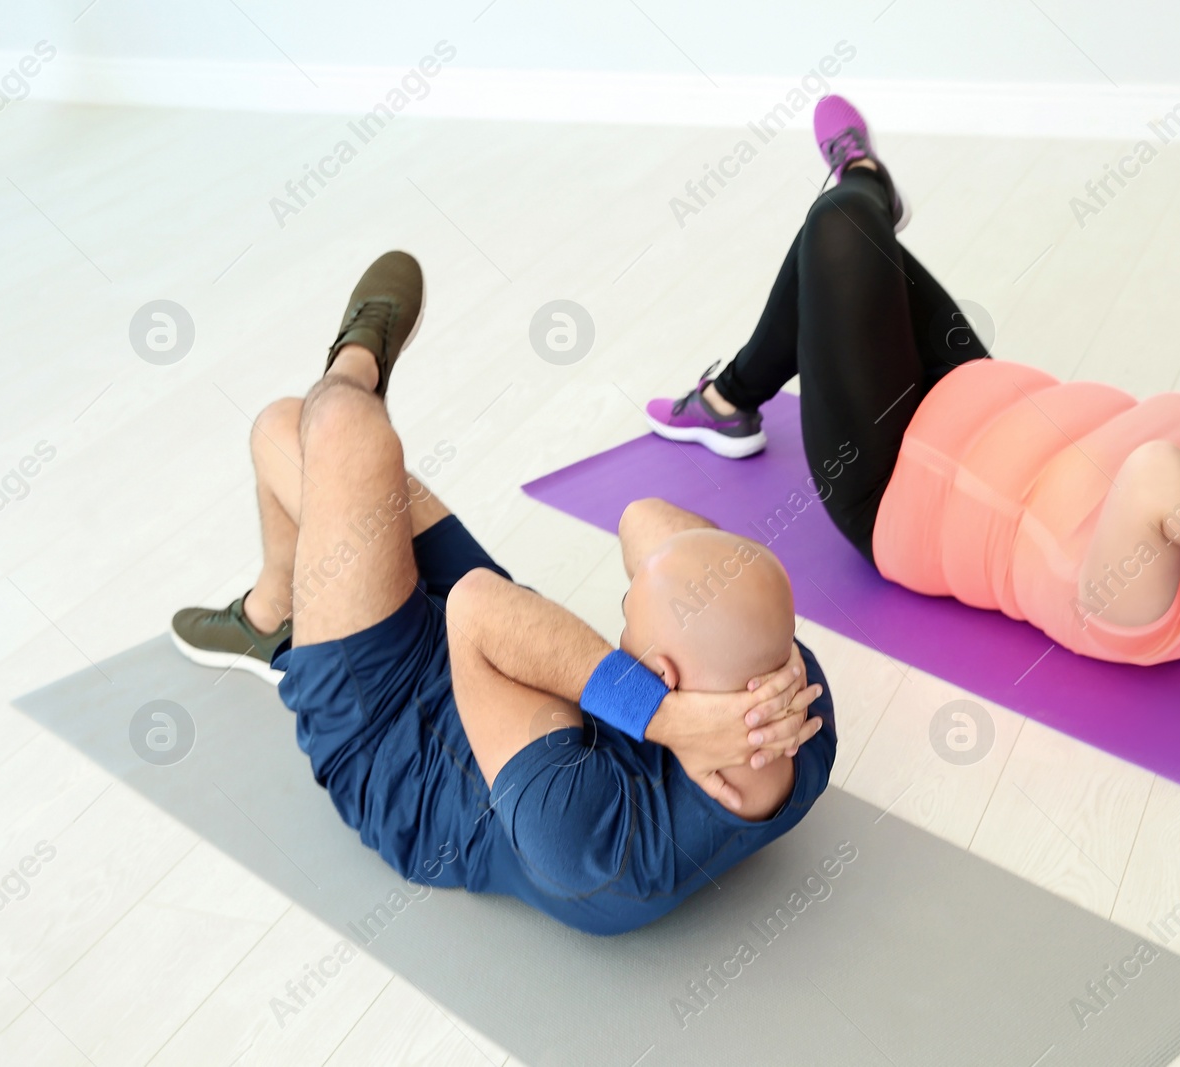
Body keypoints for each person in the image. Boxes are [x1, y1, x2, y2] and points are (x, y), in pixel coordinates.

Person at [169, 251, 834, 934]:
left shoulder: (590, 839)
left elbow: (477, 608)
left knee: (324, 426)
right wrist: (682, 700)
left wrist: (660, 717)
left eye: (631, 615)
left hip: (392, 730)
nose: (622, 606)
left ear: (661, 675)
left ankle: (353, 370)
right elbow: (645, 521)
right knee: (292, 432)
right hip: (511, 672)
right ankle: (273, 612)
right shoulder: (796, 704)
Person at [646, 96, 1180, 667]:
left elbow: (1159, 475)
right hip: (971, 382)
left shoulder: (1147, 604)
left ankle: (862, 178)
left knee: (841, 231)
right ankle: (730, 397)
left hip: (888, 479)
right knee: (837, 254)